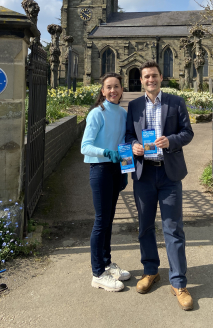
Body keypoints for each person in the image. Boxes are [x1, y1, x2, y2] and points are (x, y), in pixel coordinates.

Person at [125, 61, 194, 310]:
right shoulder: (133, 106)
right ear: (141, 80)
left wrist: (171, 141)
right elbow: (127, 135)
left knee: (173, 229)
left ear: (160, 78)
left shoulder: (175, 102)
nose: (150, 79)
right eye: (146, 77)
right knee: (144, 227)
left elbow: (188, 132)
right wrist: (133, 145)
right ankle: (150, 271)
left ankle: (178, 282)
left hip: (169, 174)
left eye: (154, 75)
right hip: (144, 175)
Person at [81, 72, 131, 292]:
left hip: (116, 169)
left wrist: (125, 168)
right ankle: (97, 273)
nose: (113, 91)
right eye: (109, 87)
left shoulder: (122, 113)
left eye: (117, 87)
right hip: (100, 169)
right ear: (102, 91)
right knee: (101, 221)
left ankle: (107, 263)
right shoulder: (96, 113)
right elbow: (85, 146)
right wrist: (106, 153)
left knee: (109, 220)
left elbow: (123, 143)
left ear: (122, 89)